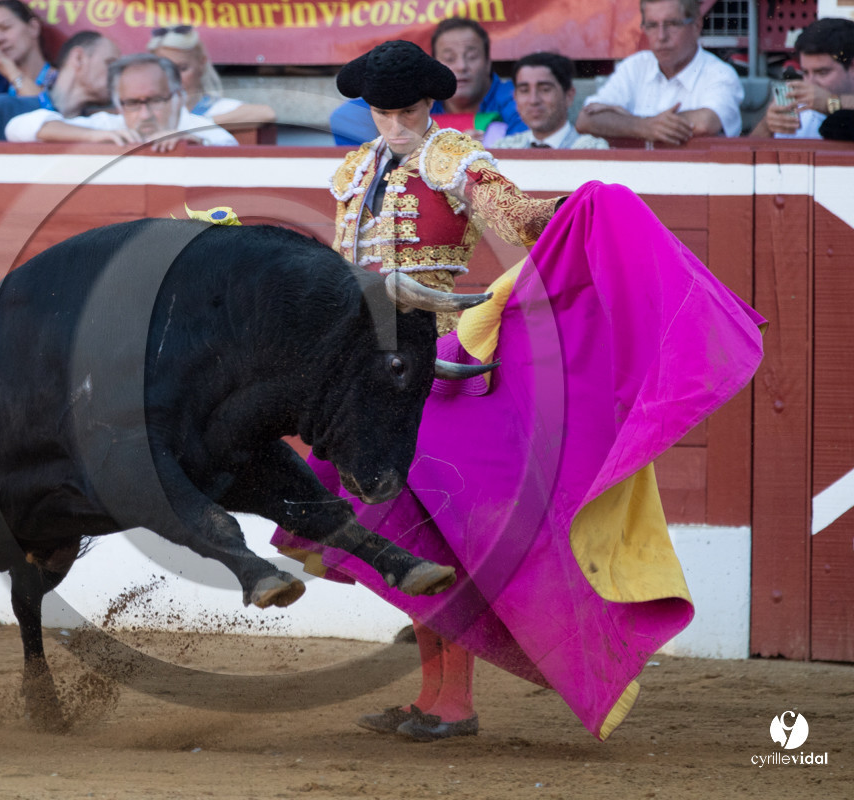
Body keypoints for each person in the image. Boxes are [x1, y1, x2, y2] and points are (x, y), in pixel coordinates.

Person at [271, 40, 765, 743]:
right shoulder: (355, 170)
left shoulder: (456, 159)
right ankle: (432, 696)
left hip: (445, 365)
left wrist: (574, 210)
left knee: (446, 534)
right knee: (406, 535)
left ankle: (452, 702)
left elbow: (517, 220)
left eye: (407, 111)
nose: (395, 126)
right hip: (372, 372)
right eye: (382, 113)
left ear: (429, 106)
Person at [329, 18, 525, 147]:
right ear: (435, 64)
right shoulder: (417, 89)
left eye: (472, 56)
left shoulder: (518, 98)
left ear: (489, 62)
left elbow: (527, 148)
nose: (461, 66)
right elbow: (344, 118)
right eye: (449, 57)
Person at [576, 0, 743, 144]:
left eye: (672, 24)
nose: (661, 36)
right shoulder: (635, 66)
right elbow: (586, 120)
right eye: (652, 25)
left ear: (697, 25)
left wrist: (631, 121)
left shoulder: (720, 74)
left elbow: (707, 122)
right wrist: (644, 126)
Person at [5, 53, 237, 149]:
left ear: (176, 96)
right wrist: (92, 136)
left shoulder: (195, 127)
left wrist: (193, 142)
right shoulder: (110, 126)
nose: (144, 114)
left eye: (155, 100)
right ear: (118, 103)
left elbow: (230, 150)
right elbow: (17, 128)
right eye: (133, 103)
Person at [146, 24, 276, 128]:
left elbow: (266, 113)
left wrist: (198, 125)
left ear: (201, 64)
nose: (173, 77)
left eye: (182, 69)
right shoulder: (142, 111)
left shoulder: (219, 108)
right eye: (165, 69)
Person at [749, 18, 854, 139]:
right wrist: (767, 125)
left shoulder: (828, 101)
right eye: (805, 72)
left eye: (823, 72)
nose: (810, 83)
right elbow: (747, 153)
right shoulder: (799, 110)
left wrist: (831, 103)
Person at [494, 52, 608, 149]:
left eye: (545, 89)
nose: (533, 100)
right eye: (524, 90)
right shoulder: (505, 147)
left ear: (569, 95)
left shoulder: (590, 148)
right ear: (515, 97)